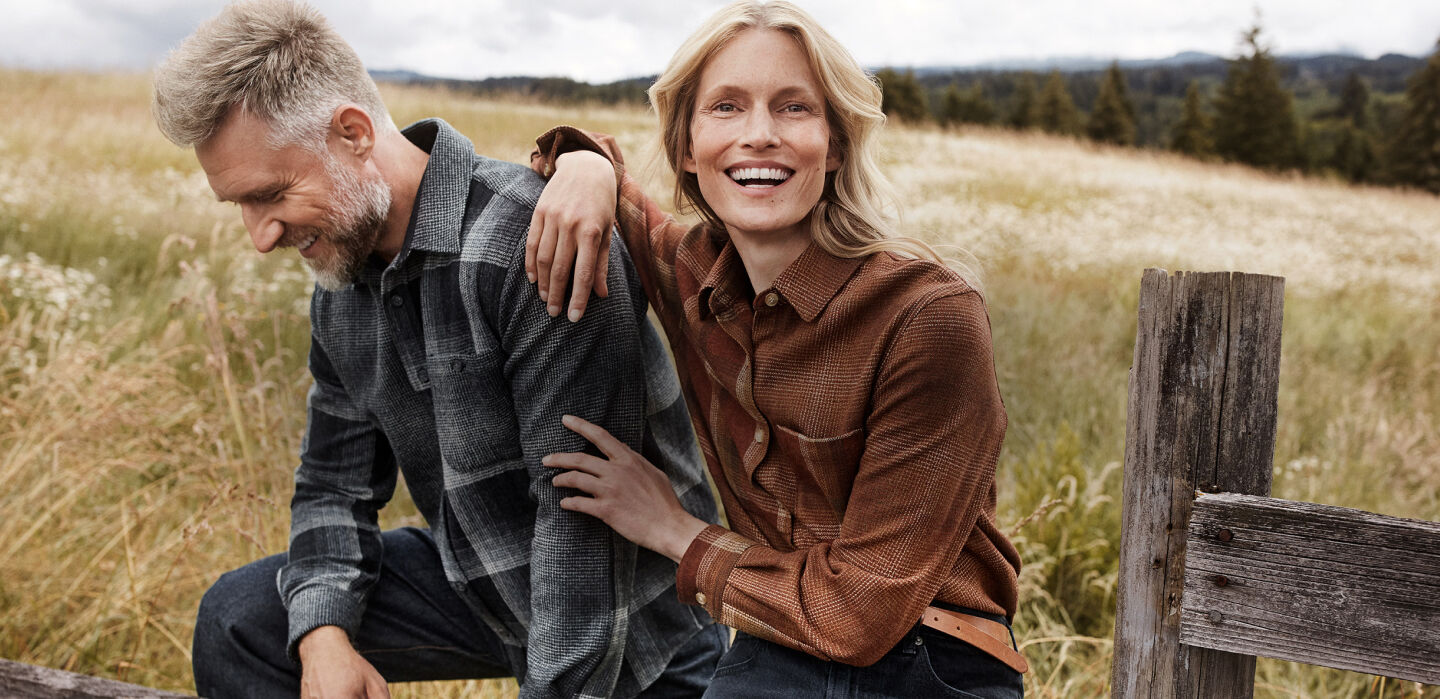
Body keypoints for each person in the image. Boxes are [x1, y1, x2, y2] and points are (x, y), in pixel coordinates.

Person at [150, 1, 725, 697]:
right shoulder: (341, 282)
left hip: (638, 638)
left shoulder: (535, 244)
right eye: (239, 204)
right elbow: (334, 484)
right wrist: (324, 635)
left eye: (270, 194)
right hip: (483, 577)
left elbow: (583, 548)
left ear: (353, 133)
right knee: (241, 620)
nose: (259, 236)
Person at [524, 2, 1025, 697]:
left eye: (793, 108)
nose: (759, 136)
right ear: (687, 150)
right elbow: (601, 161)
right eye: (726, 107)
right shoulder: (691, 270)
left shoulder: (926, 317)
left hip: (928, 653)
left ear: (837, 143)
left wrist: (673, 529)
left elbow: (858, 615)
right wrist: (585, 166)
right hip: (773, 639)